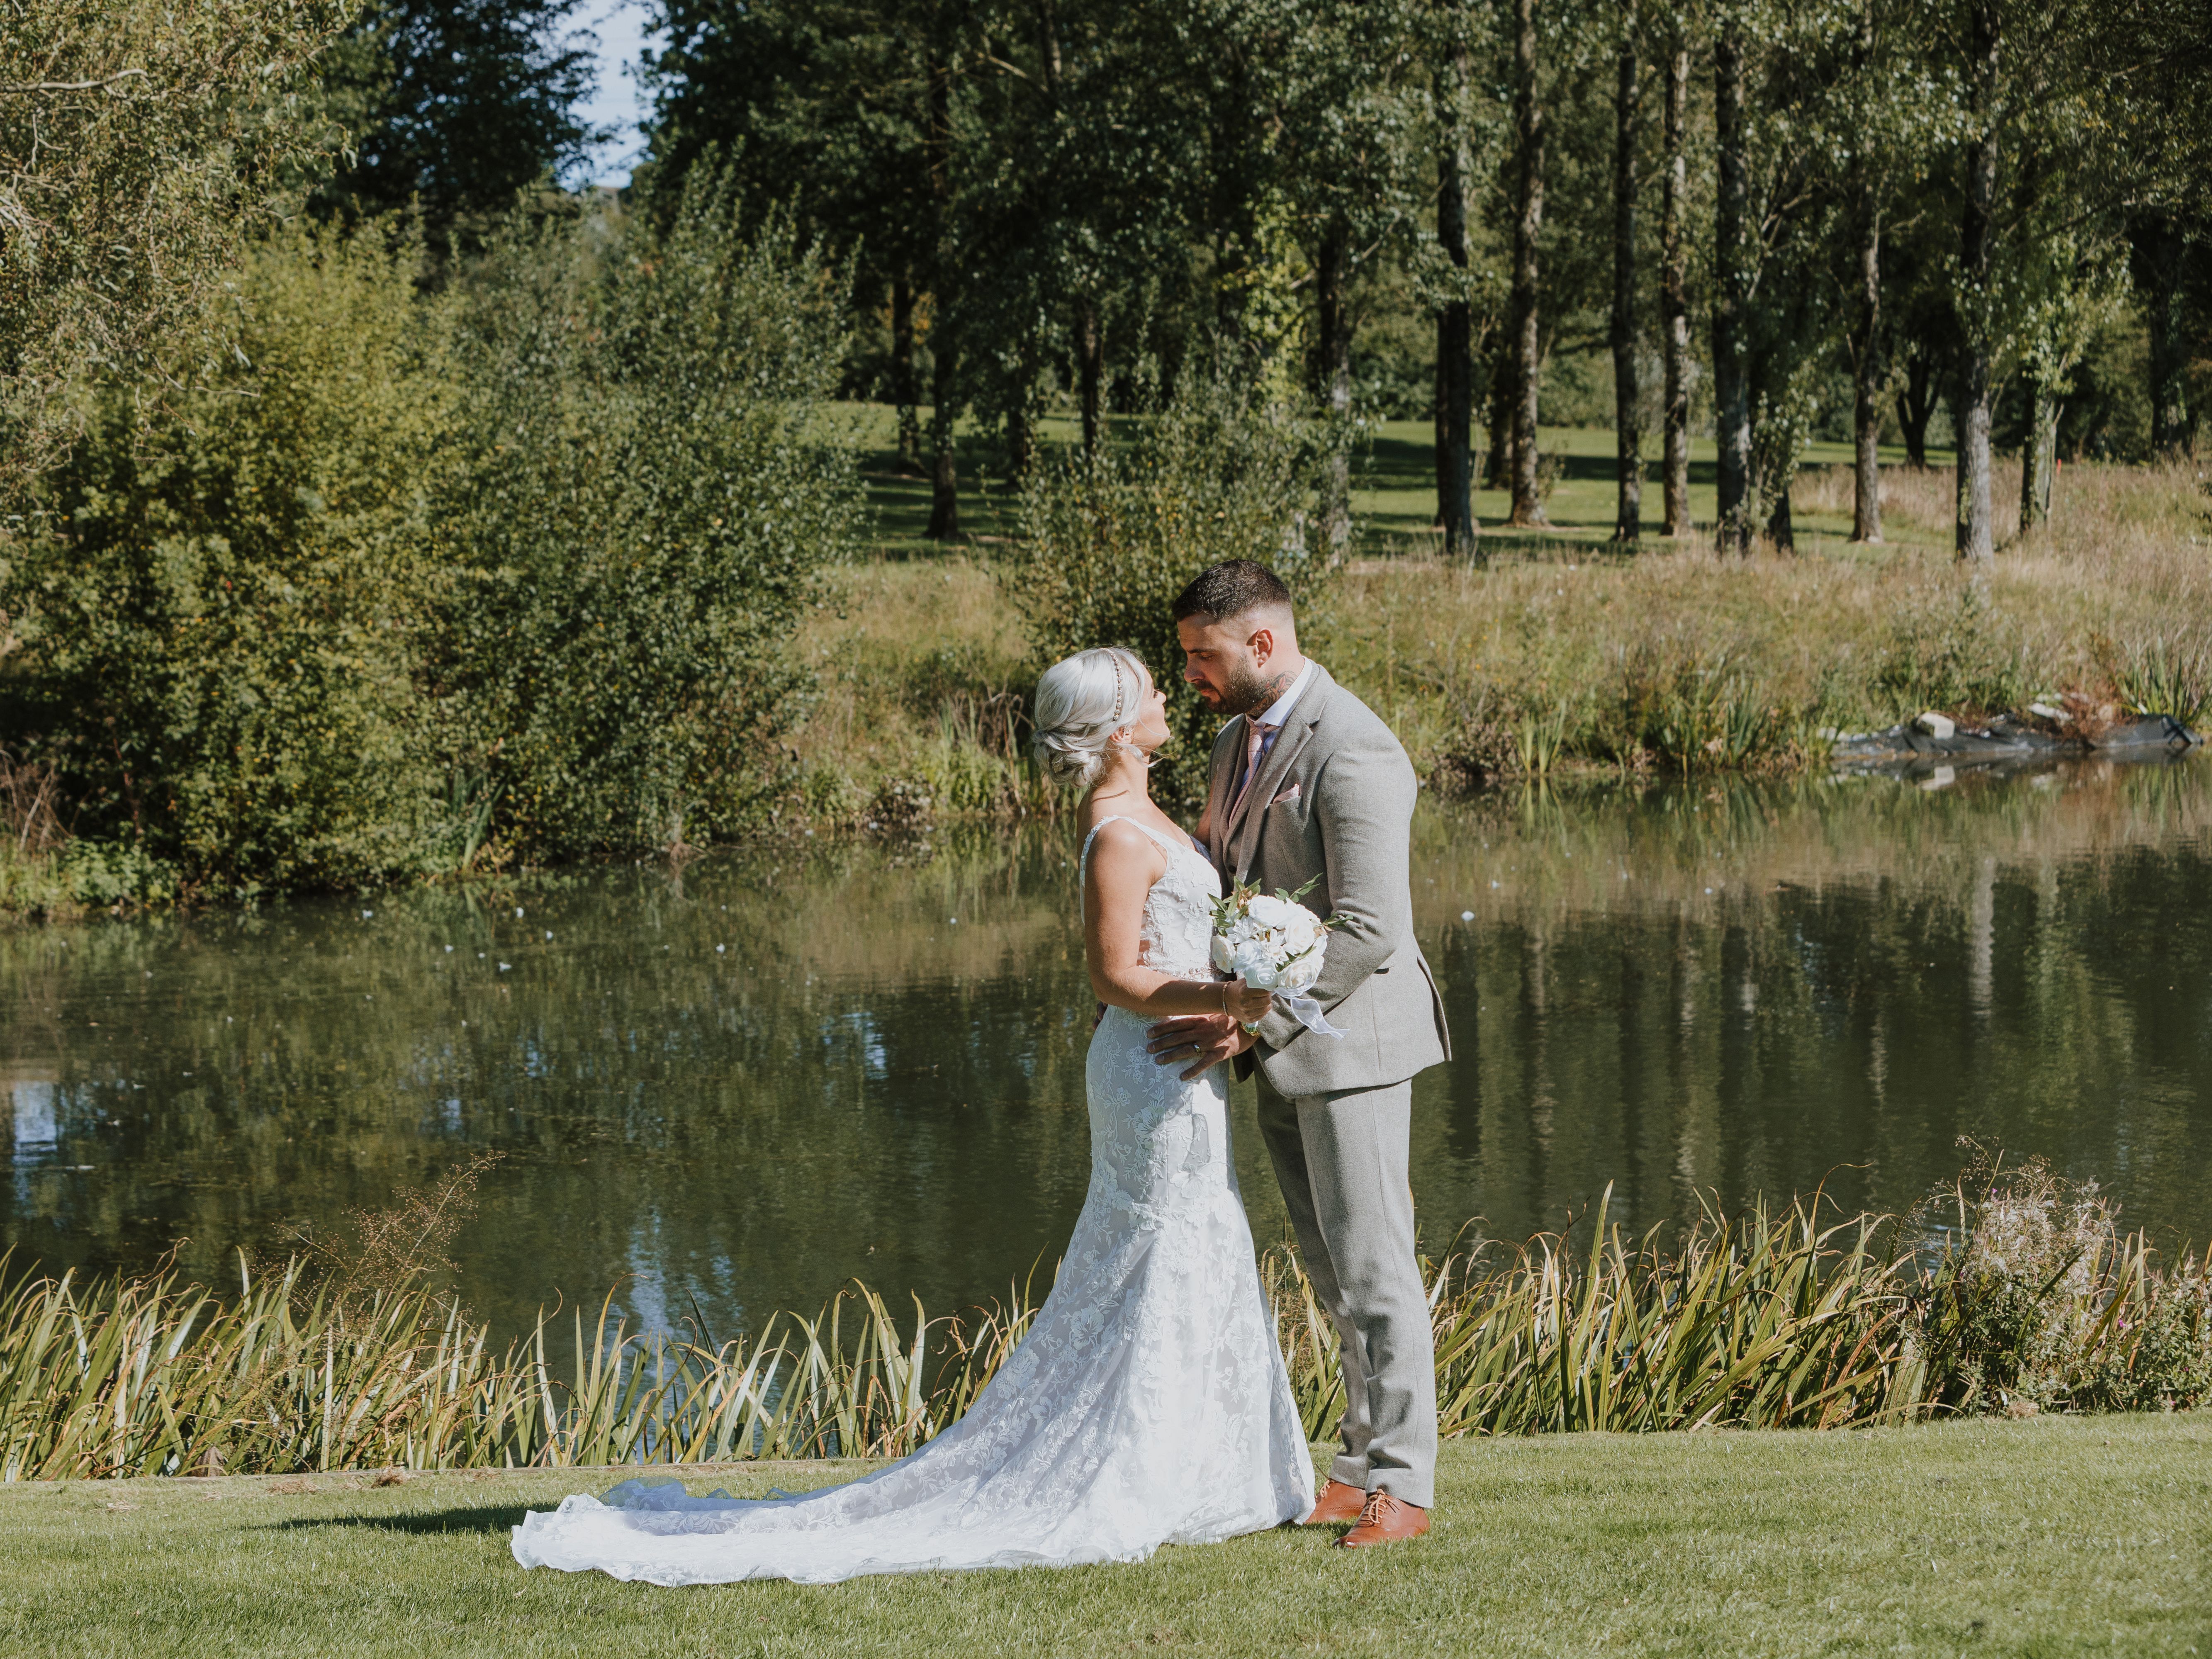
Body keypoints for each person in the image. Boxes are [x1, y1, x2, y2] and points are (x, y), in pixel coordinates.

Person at [510, 646, 1313, 1585]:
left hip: (1179, 1060)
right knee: (1161, 1240)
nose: (1168, 696)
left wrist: (1237, 981)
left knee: (1195, 1234)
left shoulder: (1148, 813)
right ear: (1116, 726)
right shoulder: (1118, 832)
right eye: (1150, 690)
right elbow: (1112, 974)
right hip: (1150, 1066)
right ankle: (1134, 1469)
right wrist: (1229, 997)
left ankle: (1203, 1467)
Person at [1145, 558, 1451, 1549]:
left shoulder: (1356, 747)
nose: (1191, 670)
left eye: (1205, 653)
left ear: (1263, 643)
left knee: (1375, 1269)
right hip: (1278, 1045)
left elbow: (1368, 929)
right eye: (1187, 654)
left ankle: (1403, 1486)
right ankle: (1357, 1466)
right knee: (1329, 1270)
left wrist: (1255, 1018)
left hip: (1348, 1045)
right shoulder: (1237, 736)